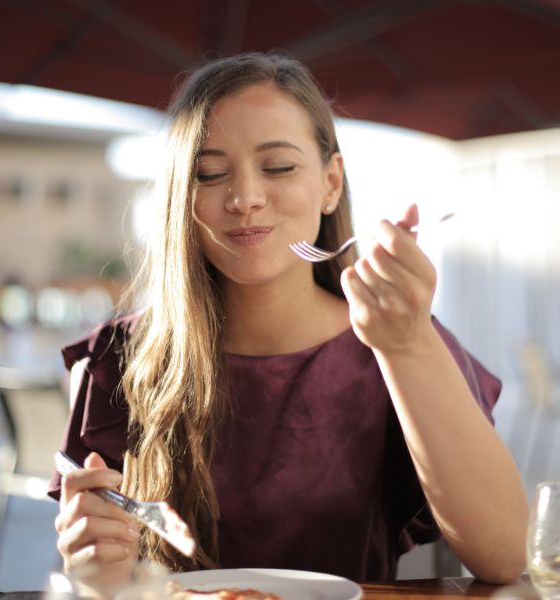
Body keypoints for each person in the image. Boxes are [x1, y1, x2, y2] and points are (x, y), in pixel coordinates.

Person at [49, 51, 527, 592]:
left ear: (330, 183)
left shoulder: (397, 340)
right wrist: (94, 568)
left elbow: (505, 556)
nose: (245, 198)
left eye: (278, 167)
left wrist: (408, 344)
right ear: (182, 198)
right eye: (209, 173)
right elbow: (106, 575)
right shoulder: (119, 358)